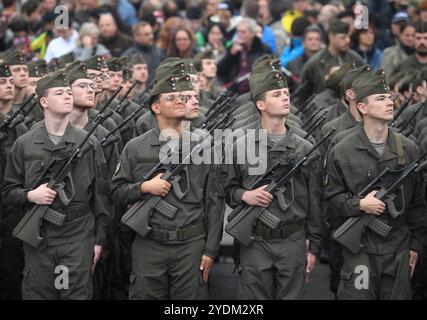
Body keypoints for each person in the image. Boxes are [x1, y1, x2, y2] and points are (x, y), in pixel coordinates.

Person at [111, 61, 224, 300]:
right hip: (149, 243)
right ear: (156, 107)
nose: (180, 101)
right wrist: (144, 187)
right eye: (171, 98)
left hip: (190, 244)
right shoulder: (135, 147)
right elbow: (116, 192)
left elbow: (214, 202)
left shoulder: (203, 146)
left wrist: (211, 250)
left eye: (183, 97)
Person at [2, 70, 113, 299]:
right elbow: (8, 192)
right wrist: (30, 196)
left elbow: (101, 196)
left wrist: (100, 239)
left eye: (68, 92)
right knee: (38, 293)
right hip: (39, 237)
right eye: (59, 92)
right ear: (43, 101)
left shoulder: (89, 143)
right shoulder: (25, 144)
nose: (67, 96)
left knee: (76, 294)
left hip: (78, 235)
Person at [324, 69, 427, 300]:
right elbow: (330, 200)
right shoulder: (342, 150)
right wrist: (360, 204)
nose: (389, 102)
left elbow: (418, 205)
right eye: (380, 98)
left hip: (398, 248)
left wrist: (416, 247)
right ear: (362, 107)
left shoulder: (407, 148)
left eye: (389, 97)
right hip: (359, 248)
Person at [225, 68, 324, 299]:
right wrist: (244, 196)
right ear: (260, 104)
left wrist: (314, 246)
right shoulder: (240, 146)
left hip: (293, 240)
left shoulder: (305, 149)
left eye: (286, 93)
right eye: (277, 94)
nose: (285, 98)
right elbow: (228, 190)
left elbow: (316, 202)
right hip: (255, 241)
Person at [0, 62, 28, 300]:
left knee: (13, 267)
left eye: (10, 81)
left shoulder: (20, 126)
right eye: (2, 82)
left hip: (13, 206)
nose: (9, 86)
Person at [296, 19, 364, 107]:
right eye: (342, 37)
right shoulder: (315, 63)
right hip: (321, 110)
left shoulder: (355, 59)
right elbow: (302, 95)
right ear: (331, 37)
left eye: (348, 37)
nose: (347, 40)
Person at [217, 17, 272, 93]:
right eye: (238, 32)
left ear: (252, 34)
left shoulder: (263, 49)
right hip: (235, 90)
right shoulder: (233, 47)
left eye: (243, 32)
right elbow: (220, 71)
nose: (239, 35)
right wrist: (230, 55)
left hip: (255, 89)